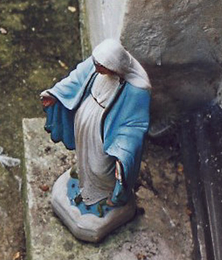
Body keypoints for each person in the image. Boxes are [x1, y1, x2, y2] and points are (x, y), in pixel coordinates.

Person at [40, 38, 151, 215]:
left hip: (107, 130)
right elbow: (75, 78)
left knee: (101, 166)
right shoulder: (98, 63)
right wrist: (54, 94)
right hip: (85, 120)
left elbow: (133, 125)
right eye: (96, 63)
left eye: (101, 66)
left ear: (115, 66)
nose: (96, 68)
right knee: (84, 155)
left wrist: (124, 153)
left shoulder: (136, 90)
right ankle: (85, 182)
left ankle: (106, 191)